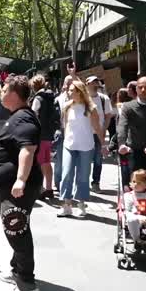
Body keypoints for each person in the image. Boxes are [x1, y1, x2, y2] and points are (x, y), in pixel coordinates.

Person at [0, 75, 42, 291]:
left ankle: (27, 282)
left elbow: (27, 149)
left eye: (5, 89)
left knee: (16, 227)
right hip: (8, 185)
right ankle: (17, 270)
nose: (1, 92)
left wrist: (20, 179)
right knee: (14, 225)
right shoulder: (17, 116)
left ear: (15, 94)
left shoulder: (23, 118)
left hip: (17, 186)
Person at [58, 81, 106, 217]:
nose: (69, 92)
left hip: (86, 146)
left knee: (83, 176)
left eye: (72, 90)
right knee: (66, 174)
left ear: (79, 91)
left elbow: (97, 128)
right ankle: (66, 205)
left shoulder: (91, 107)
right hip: (69, 145)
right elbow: (65, 125)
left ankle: (81, 204)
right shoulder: (67, 106)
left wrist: (103, 144)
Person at [30, 75, 58, 199]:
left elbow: (33, 115)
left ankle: (41, 189)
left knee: (40, 163)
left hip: (39, 134)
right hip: (49, 134)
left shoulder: (38, 99)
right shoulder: (51, 97)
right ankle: (49, 188)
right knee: (46, 162)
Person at [85, 76, 113, 193]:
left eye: (96, 82)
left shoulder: (103, 99)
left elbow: (108, 116)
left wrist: (103, 129)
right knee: (85, 160)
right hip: (84, 134)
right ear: (87, 84)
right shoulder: (83, 98)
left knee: (98, 160)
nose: (95, 85)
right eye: (92, 83)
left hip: (98, 134)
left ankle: (95, 183)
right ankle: (83, 183)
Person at [53, 75, 74, 192]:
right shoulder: (58, 99)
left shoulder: (80, 101)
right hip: (61, 132)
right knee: (60, 161)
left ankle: (68, 184)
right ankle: (58, 183)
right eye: (69, 83)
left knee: (71, 162)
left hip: (74, 133)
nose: (71, 85)